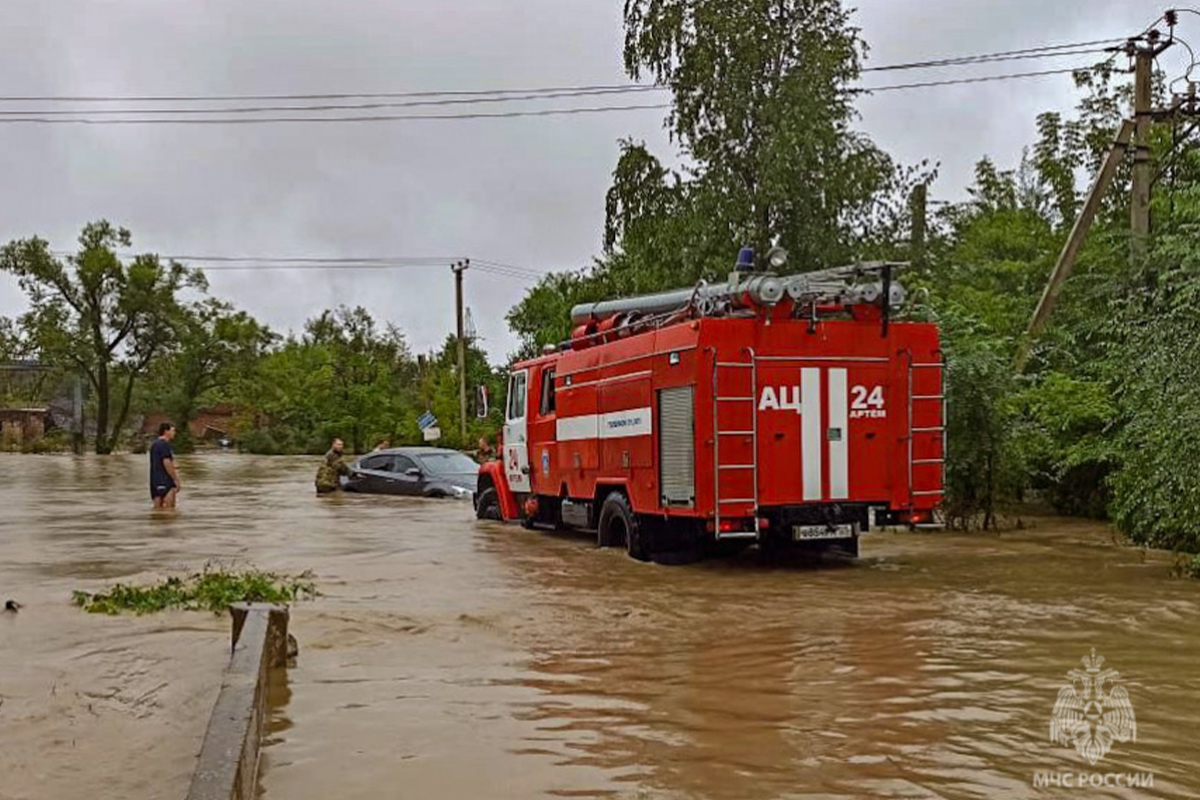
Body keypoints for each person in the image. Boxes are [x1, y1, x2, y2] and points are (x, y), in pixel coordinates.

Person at [150, 422, 181, 509]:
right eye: (173, 431)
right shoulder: (164, 444)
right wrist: (175, 479)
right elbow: (166, 462)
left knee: (157, 508)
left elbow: (158, 462)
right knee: (170, 509)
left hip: (154, 481)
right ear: (166, 431)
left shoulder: (154, 444)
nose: (174, 433)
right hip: (165, 480)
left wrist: (173, 465)